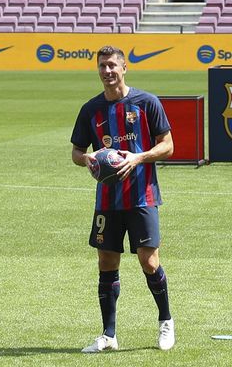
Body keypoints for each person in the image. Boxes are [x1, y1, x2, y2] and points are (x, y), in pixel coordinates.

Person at [69, 46, 175, 353]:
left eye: (112, 65)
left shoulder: (146, 102)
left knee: (149, 260)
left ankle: (166, 321)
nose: (107, 71)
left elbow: (167, 145)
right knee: (106, 262)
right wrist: (87, 158)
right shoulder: (91, 110)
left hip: (143, 195)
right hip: (107, 201)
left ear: (124, 68)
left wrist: (139, 157)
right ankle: (109, 335)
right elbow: (76, 151)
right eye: (102, 66)